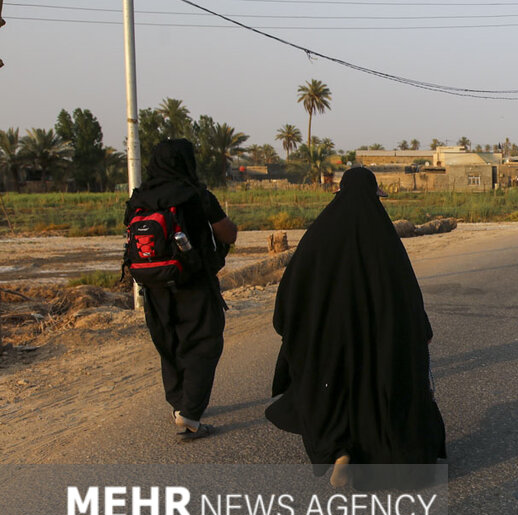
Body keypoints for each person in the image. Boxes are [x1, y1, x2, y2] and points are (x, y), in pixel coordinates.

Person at [267, 166, 447, 488]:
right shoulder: (383, 239)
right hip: (379, 341)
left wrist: (291, 327)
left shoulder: (318, 236)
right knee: (375, 394)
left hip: (327, 341)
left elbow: (292, 290)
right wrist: (422, 330)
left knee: (332, 390)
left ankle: (339, 450)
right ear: (375, 195)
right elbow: (406, 293)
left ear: (339, 192)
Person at [126, 138, 237, 441]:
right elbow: (228, 232)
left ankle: (179, 405)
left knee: (169, 343)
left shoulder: (139, 198)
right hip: (194, 284)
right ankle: (189, 416)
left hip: (153, 287)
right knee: (203, 343)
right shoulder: (196, 196)